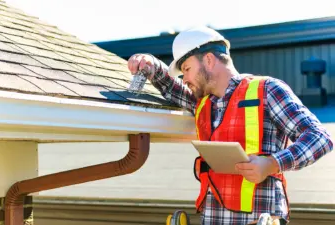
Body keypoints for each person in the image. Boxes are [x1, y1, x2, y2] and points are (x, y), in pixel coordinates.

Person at [127, 26, 333, 225]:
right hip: (213, 216)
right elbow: (171, 87)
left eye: (187, 69)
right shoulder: (203, 103)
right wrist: (149, 63)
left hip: (258, 217)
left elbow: (319, 137)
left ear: (208, 59)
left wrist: (272, 164)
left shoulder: (268, 90)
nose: (185, 78)